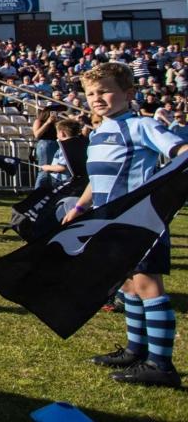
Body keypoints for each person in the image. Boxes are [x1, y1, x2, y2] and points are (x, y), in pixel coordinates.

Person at [63, 63, 187, 388]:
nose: (96, 98)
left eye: (105, 91)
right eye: (90, 93)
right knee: (128, 286)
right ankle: (136, 351)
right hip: (111, 223)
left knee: (148, 287)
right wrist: (79, 206)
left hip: (139, 222)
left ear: (128, 94)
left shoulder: (140, 125)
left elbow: (181, 150)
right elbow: (97, 178)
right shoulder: (99, 131)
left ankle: (161, 365)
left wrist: (161, 191)